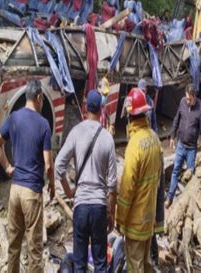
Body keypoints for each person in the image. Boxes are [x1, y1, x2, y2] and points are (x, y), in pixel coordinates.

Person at [0, 79, 55, 273]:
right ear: (38, 98)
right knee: (35, 250)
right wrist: (52, 185)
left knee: (14, 246)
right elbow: (48, 164)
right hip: (31, 194)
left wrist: (7, 167)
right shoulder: (44, 124)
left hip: (15, 191)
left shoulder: (14, 118)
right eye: (42, 99)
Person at [56, 90, 117, 272]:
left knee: (80, 263)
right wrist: (111, 212)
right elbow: (113, 186)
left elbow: (59, 165)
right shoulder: (107, 138)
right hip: (99, 207)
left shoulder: (76, 132)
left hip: (81, 206)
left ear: (85, 108)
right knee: (100, 263)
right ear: (101, 109)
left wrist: (69, 192)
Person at [116, 88, 163, 273]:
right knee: (146, 263)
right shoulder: (154, 138)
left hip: (135, 221)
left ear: (130, 116)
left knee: (135, 266)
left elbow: (127, 188)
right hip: (149, 217)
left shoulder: (135, 145)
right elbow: (158, 180)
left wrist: (120, 219)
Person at [166, 84, 201, 208]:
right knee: (175, 171)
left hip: (191, 149)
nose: (187, 101)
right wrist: (172, 136)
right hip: (181, 145)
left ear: (194, 97)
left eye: (190, 99)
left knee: (191, 176)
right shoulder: (183, 102)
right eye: (187, 98)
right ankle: (170, 198)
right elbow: (176, 119)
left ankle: (188, 203)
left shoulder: (200, 107)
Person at [137, 79, 163, 269]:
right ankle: (152, 258)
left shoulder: (149, 105)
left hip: (146, 202)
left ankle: (152, 257)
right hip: (150, 198)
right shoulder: (153, 146)